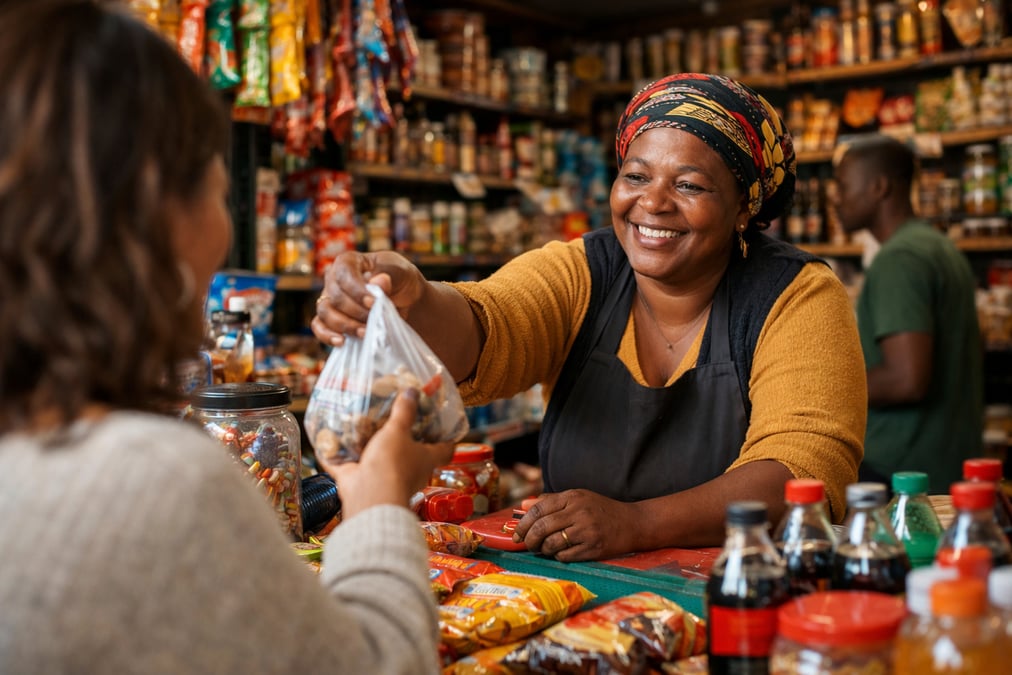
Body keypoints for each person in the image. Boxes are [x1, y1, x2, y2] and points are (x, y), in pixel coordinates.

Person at [0, 2, 452, 673]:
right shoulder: (153, 478)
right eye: (215, 189)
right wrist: (378, 501)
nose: (226, 230)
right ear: (155, 217)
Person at [315, 73, 867, 562]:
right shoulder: (582, 271)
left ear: (745, 205)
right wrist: (412, 297)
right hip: (580, 598)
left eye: (689, 185)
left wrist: (636, 524)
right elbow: (490, 327)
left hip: (742, 590)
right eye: (635, 176)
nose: (652, 203)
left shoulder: (795, 295)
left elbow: (804, 468)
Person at [833, 134, 983, 494]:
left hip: (901, 471)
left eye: (842, 187)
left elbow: (907, 379)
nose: (836, 200)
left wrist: (828, 388)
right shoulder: (935, 246)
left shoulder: (899, 260)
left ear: (879, 187)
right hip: (943, 461)